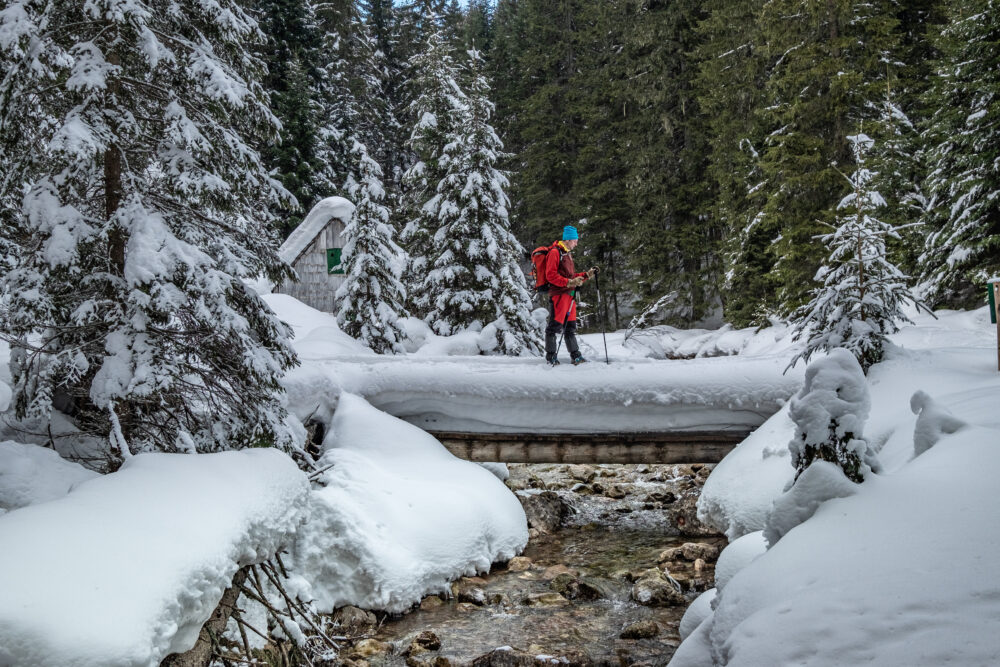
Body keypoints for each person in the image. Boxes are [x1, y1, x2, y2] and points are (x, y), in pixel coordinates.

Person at [543, 225, 598, 365]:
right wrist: (569, 282)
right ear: (567, 239)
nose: (576, 243)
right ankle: (551, 357)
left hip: (569, 295)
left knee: (570, 327)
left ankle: (576, 356)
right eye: (575, 240)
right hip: (559, 295)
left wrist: (587, 275)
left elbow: (571, 276)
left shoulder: (566, 253)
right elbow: (550, 275)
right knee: (554, 327)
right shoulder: (555, 253)